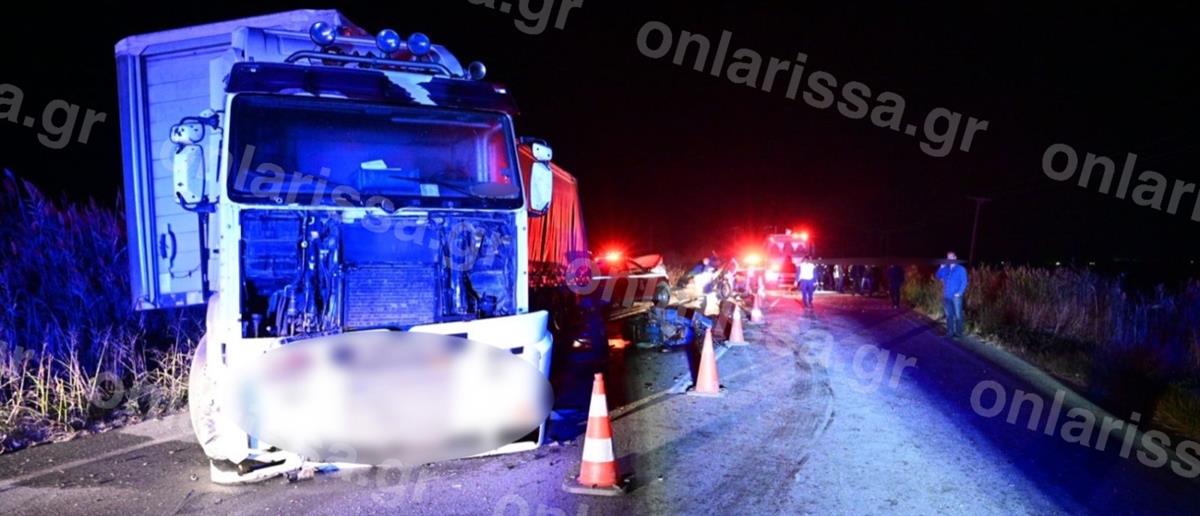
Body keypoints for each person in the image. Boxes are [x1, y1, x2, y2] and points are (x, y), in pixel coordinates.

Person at [935, 251, 969, 337]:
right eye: (948, 257)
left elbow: (964, 282)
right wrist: (941, 267)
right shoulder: (945, 269)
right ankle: (950, 332)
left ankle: (958, 333)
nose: (949, 259)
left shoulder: (961, 269)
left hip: (956, 297)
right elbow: (937, 276)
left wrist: (959, 293)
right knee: (948, 315)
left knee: (958, 315)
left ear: (955, 258)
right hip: (946, 296)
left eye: (951, 257)